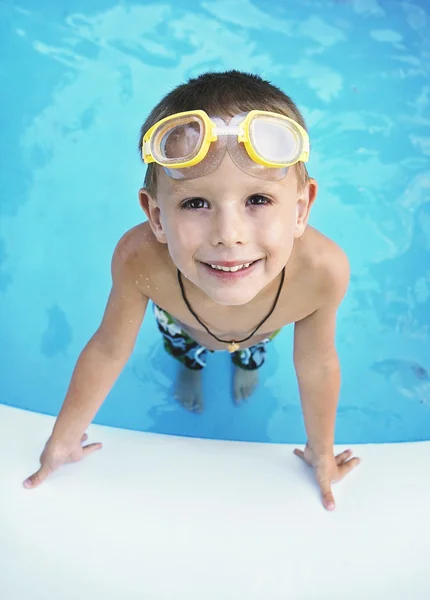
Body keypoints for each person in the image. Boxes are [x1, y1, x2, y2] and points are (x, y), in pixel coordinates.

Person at [23, 70, 360, 510]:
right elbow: (109, 349)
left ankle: (246, 365)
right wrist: (63, 439)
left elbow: (316, 364)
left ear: (301, 208)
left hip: (264, 328)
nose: (229, 234)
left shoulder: (321, 273)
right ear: (156, 215)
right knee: (184, 352)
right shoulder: (140, 261)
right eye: (195, 203)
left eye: (257, 200)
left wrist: (321, 451)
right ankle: (190, 369)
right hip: (181, 325)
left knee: (252, 352)